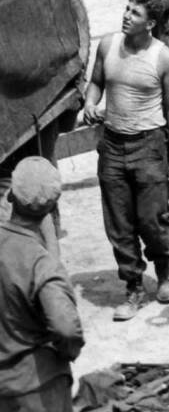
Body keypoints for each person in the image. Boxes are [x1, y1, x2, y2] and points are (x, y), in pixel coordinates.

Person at [84, 0, 169, 321]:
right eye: (127, 9)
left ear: (151, 23)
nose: (126, 16)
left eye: (135, 13)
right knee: (119, 222)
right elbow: (96, 82)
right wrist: (90, 103)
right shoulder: (108, 45)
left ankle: (165, 271)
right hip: (112, 146)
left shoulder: (164, 58)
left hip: (149, 146)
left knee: (152, 219)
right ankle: (133, 287)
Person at [0, 157, 84, 412]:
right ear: (53, 207)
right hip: (37, 388)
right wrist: (67, 353)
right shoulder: (42, 264)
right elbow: (66, 329)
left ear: (10, 196)